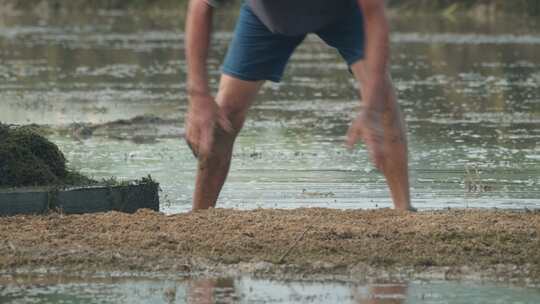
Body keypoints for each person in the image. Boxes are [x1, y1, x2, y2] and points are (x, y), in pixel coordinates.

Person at [184, 0, 415, 211]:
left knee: (381, 98)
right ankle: (200, 217)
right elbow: (200, 6)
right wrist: (198, 96)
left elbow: (374, 14)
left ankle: (404, 211)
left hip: (345, 12)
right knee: (225, 113)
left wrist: (372, 106)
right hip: (268, 18)